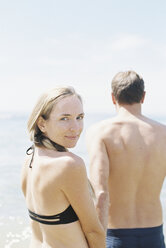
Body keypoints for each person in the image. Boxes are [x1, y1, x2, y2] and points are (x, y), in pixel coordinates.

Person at [86, 70, 166, 248]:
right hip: (154, 233)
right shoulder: (163, 134)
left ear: (113, 98)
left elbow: (100, 194)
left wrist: (95, 240)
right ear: (143, 97)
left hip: (116, 235)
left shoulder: (100, 133)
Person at [21, 86, 105, 248]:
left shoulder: (29, 158)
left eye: (79, 117)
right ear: (42, 124)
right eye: (64, 118)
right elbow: (94, 231)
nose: (75, 127)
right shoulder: (69, 165)